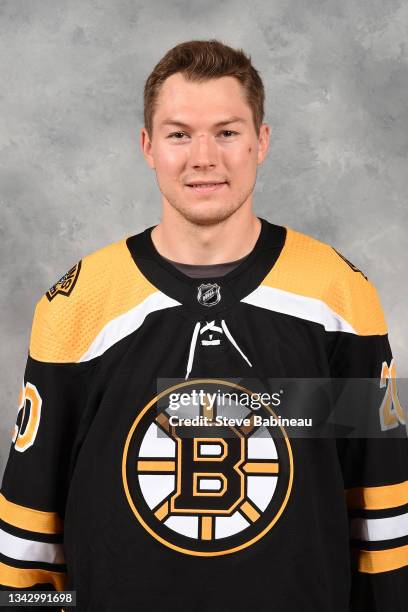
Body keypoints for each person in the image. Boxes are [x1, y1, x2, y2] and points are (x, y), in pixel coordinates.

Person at [0, 39, 407, 612]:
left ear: (261, 141)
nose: (203, 157)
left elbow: (382, 503)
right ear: (147, 147)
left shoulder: (340, 293)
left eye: (227, 131)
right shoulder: (76, 303)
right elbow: (29, 529)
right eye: (178, 133)